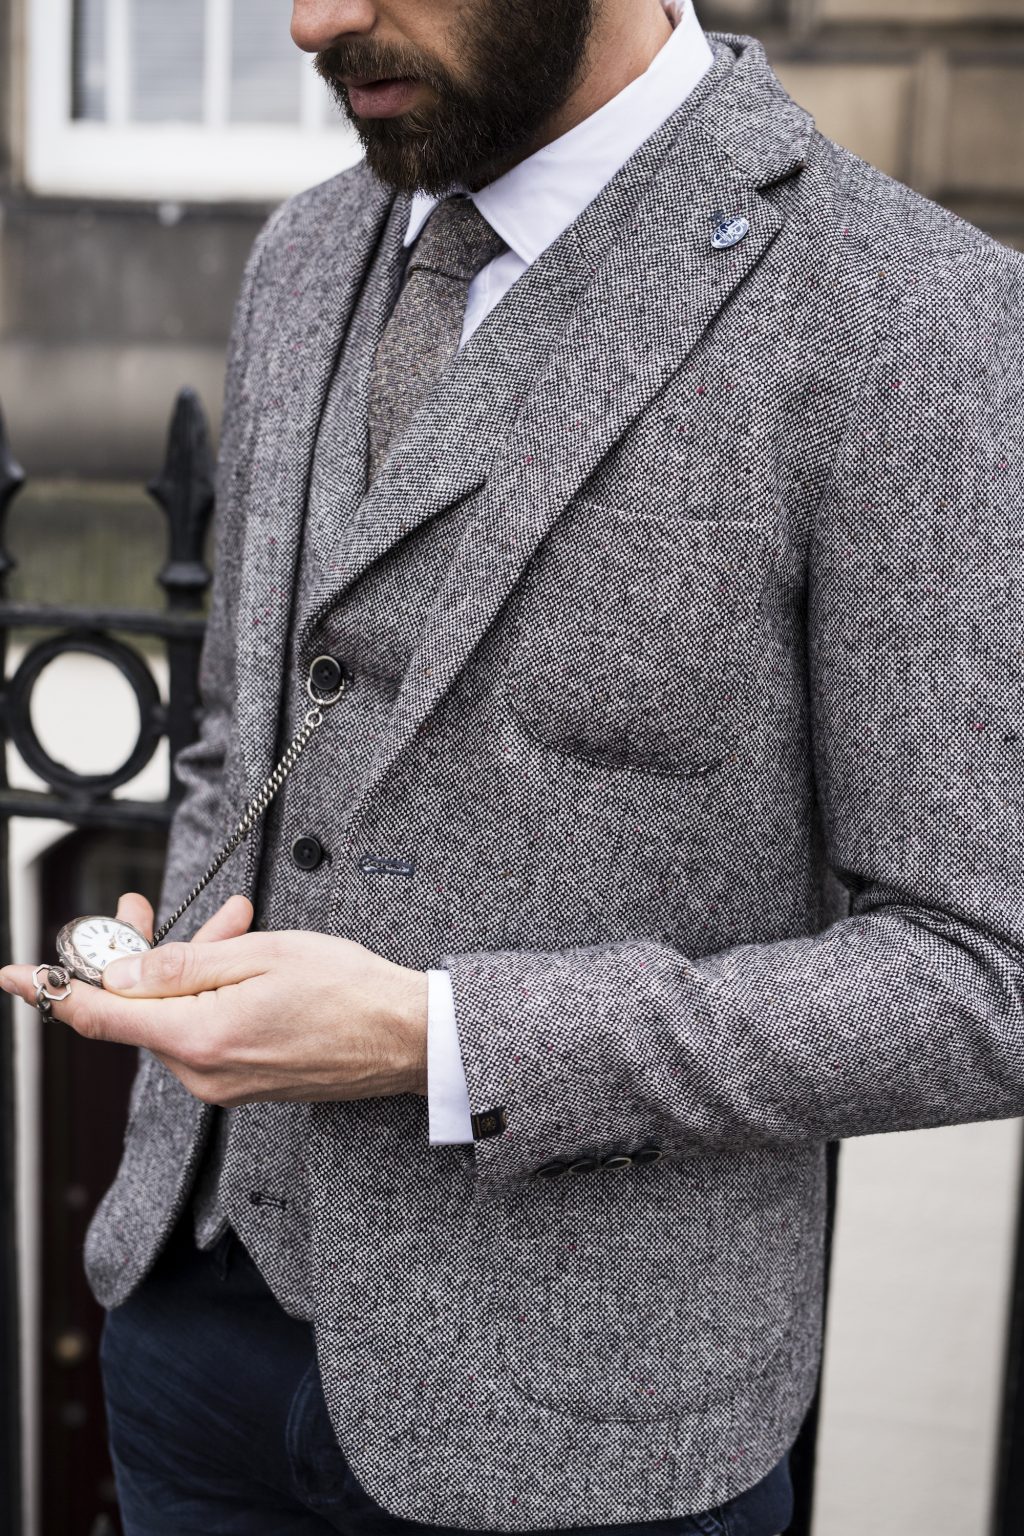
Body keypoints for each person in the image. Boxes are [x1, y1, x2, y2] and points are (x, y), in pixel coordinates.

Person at [3, 0, 1023, 1532]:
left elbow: (986, 975)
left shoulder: (916, 315)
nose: (313, 22)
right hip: (193, 1336)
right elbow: (240, 731)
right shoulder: (305, 252)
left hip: (590, 1437)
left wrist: (443, 1040)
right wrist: (180, 950)